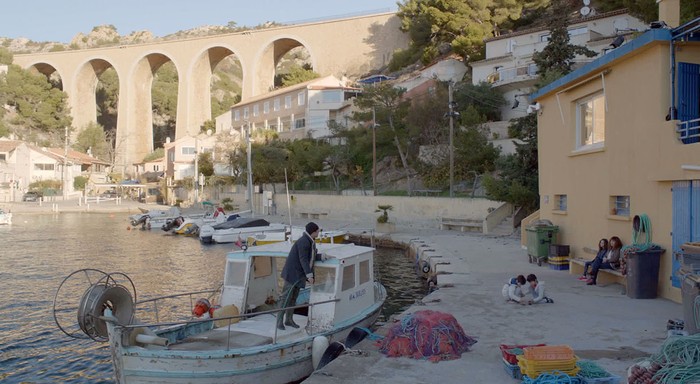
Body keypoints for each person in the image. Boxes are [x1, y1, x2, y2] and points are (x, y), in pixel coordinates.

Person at [277, 222, 326, 330]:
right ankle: (279, 321)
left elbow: (310, 257)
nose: (318, 233)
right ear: (313, 232)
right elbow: (303, 259)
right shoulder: (304, 242)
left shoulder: (309, 241)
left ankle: (289, 320)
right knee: (285, 297)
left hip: (298, 275)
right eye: (317, 231)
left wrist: (323, 256)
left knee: (293, 298)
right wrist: (310, 276)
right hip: (292, 274)